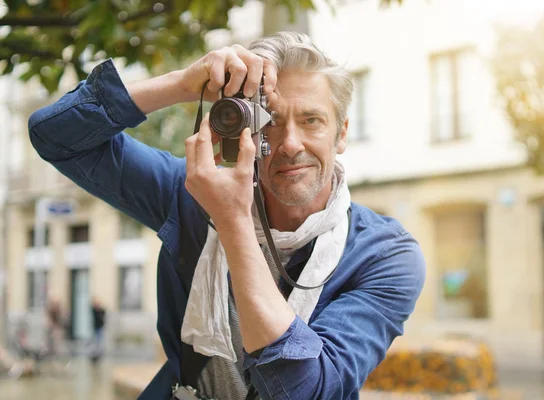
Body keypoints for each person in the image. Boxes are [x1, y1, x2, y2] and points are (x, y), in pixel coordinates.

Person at [29, 32, 426, 399]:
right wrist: (184, 84)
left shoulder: (385, 253)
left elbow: (307, 390)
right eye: (269, 122)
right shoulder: (192, 192)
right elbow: (55, 137)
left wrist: (233, 220)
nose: (289, 144)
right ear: (245, 130)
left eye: (312, 121)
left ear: (341, 134)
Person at [90, 298, 106, 363]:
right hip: (95, 327)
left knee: (99, 340)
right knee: (95, 340)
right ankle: (95, 352)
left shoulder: (101, 310)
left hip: (100, 327)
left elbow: (103, 314)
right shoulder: (94, 310)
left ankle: (99, 353)